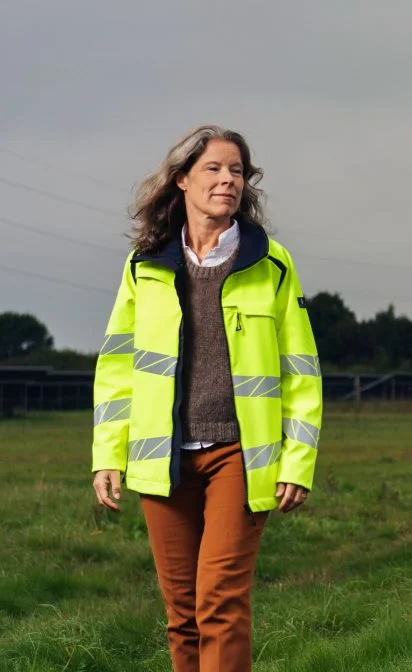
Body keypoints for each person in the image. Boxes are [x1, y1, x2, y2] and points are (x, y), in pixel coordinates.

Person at [90, 125, 322, 671]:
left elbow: (302, 372)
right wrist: (107, 453)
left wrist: (299, 461)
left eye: (237, 171)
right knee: (183, 613)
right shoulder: (143, 266)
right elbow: (117, 367)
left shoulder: (273, 264)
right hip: (161, 458)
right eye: (215, 169)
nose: (228, 180)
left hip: (240, 456)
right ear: (182, 181)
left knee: (219, 601)